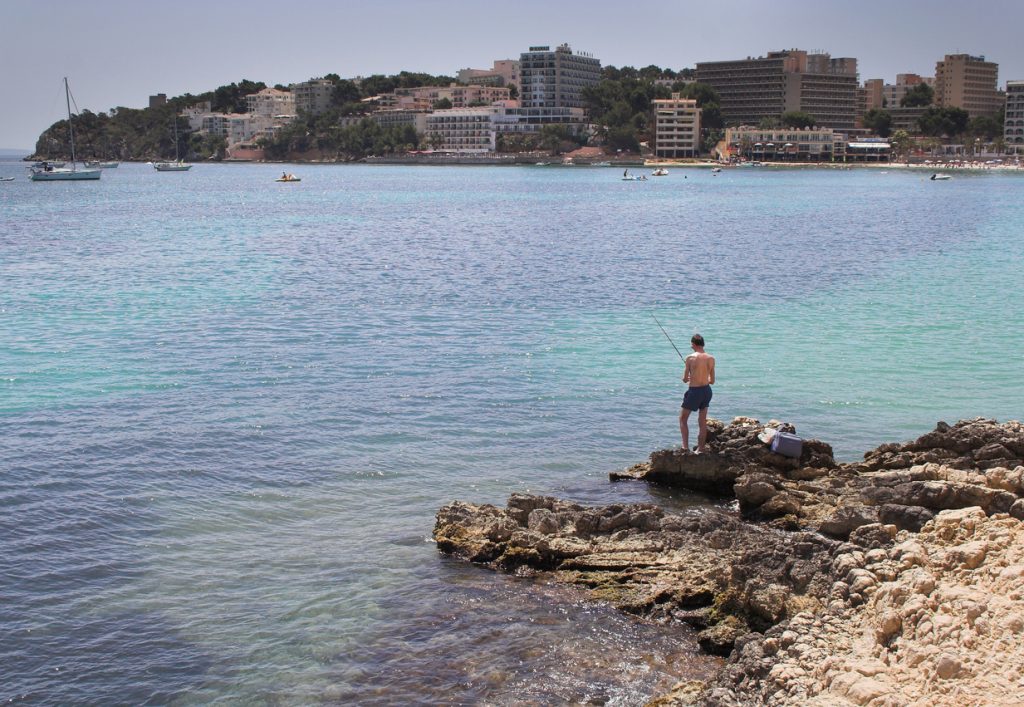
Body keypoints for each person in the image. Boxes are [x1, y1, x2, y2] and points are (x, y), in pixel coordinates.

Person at [679, 334, 715, 453]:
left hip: (695, 392)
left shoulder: (690, 358)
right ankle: (701, 448)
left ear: (693, 344)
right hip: (707, 391)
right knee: (702, 421)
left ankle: (685, 447)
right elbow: (712, 381)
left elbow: (684, 379)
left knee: (683, 419)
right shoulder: (711, 358)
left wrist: (688, 378)